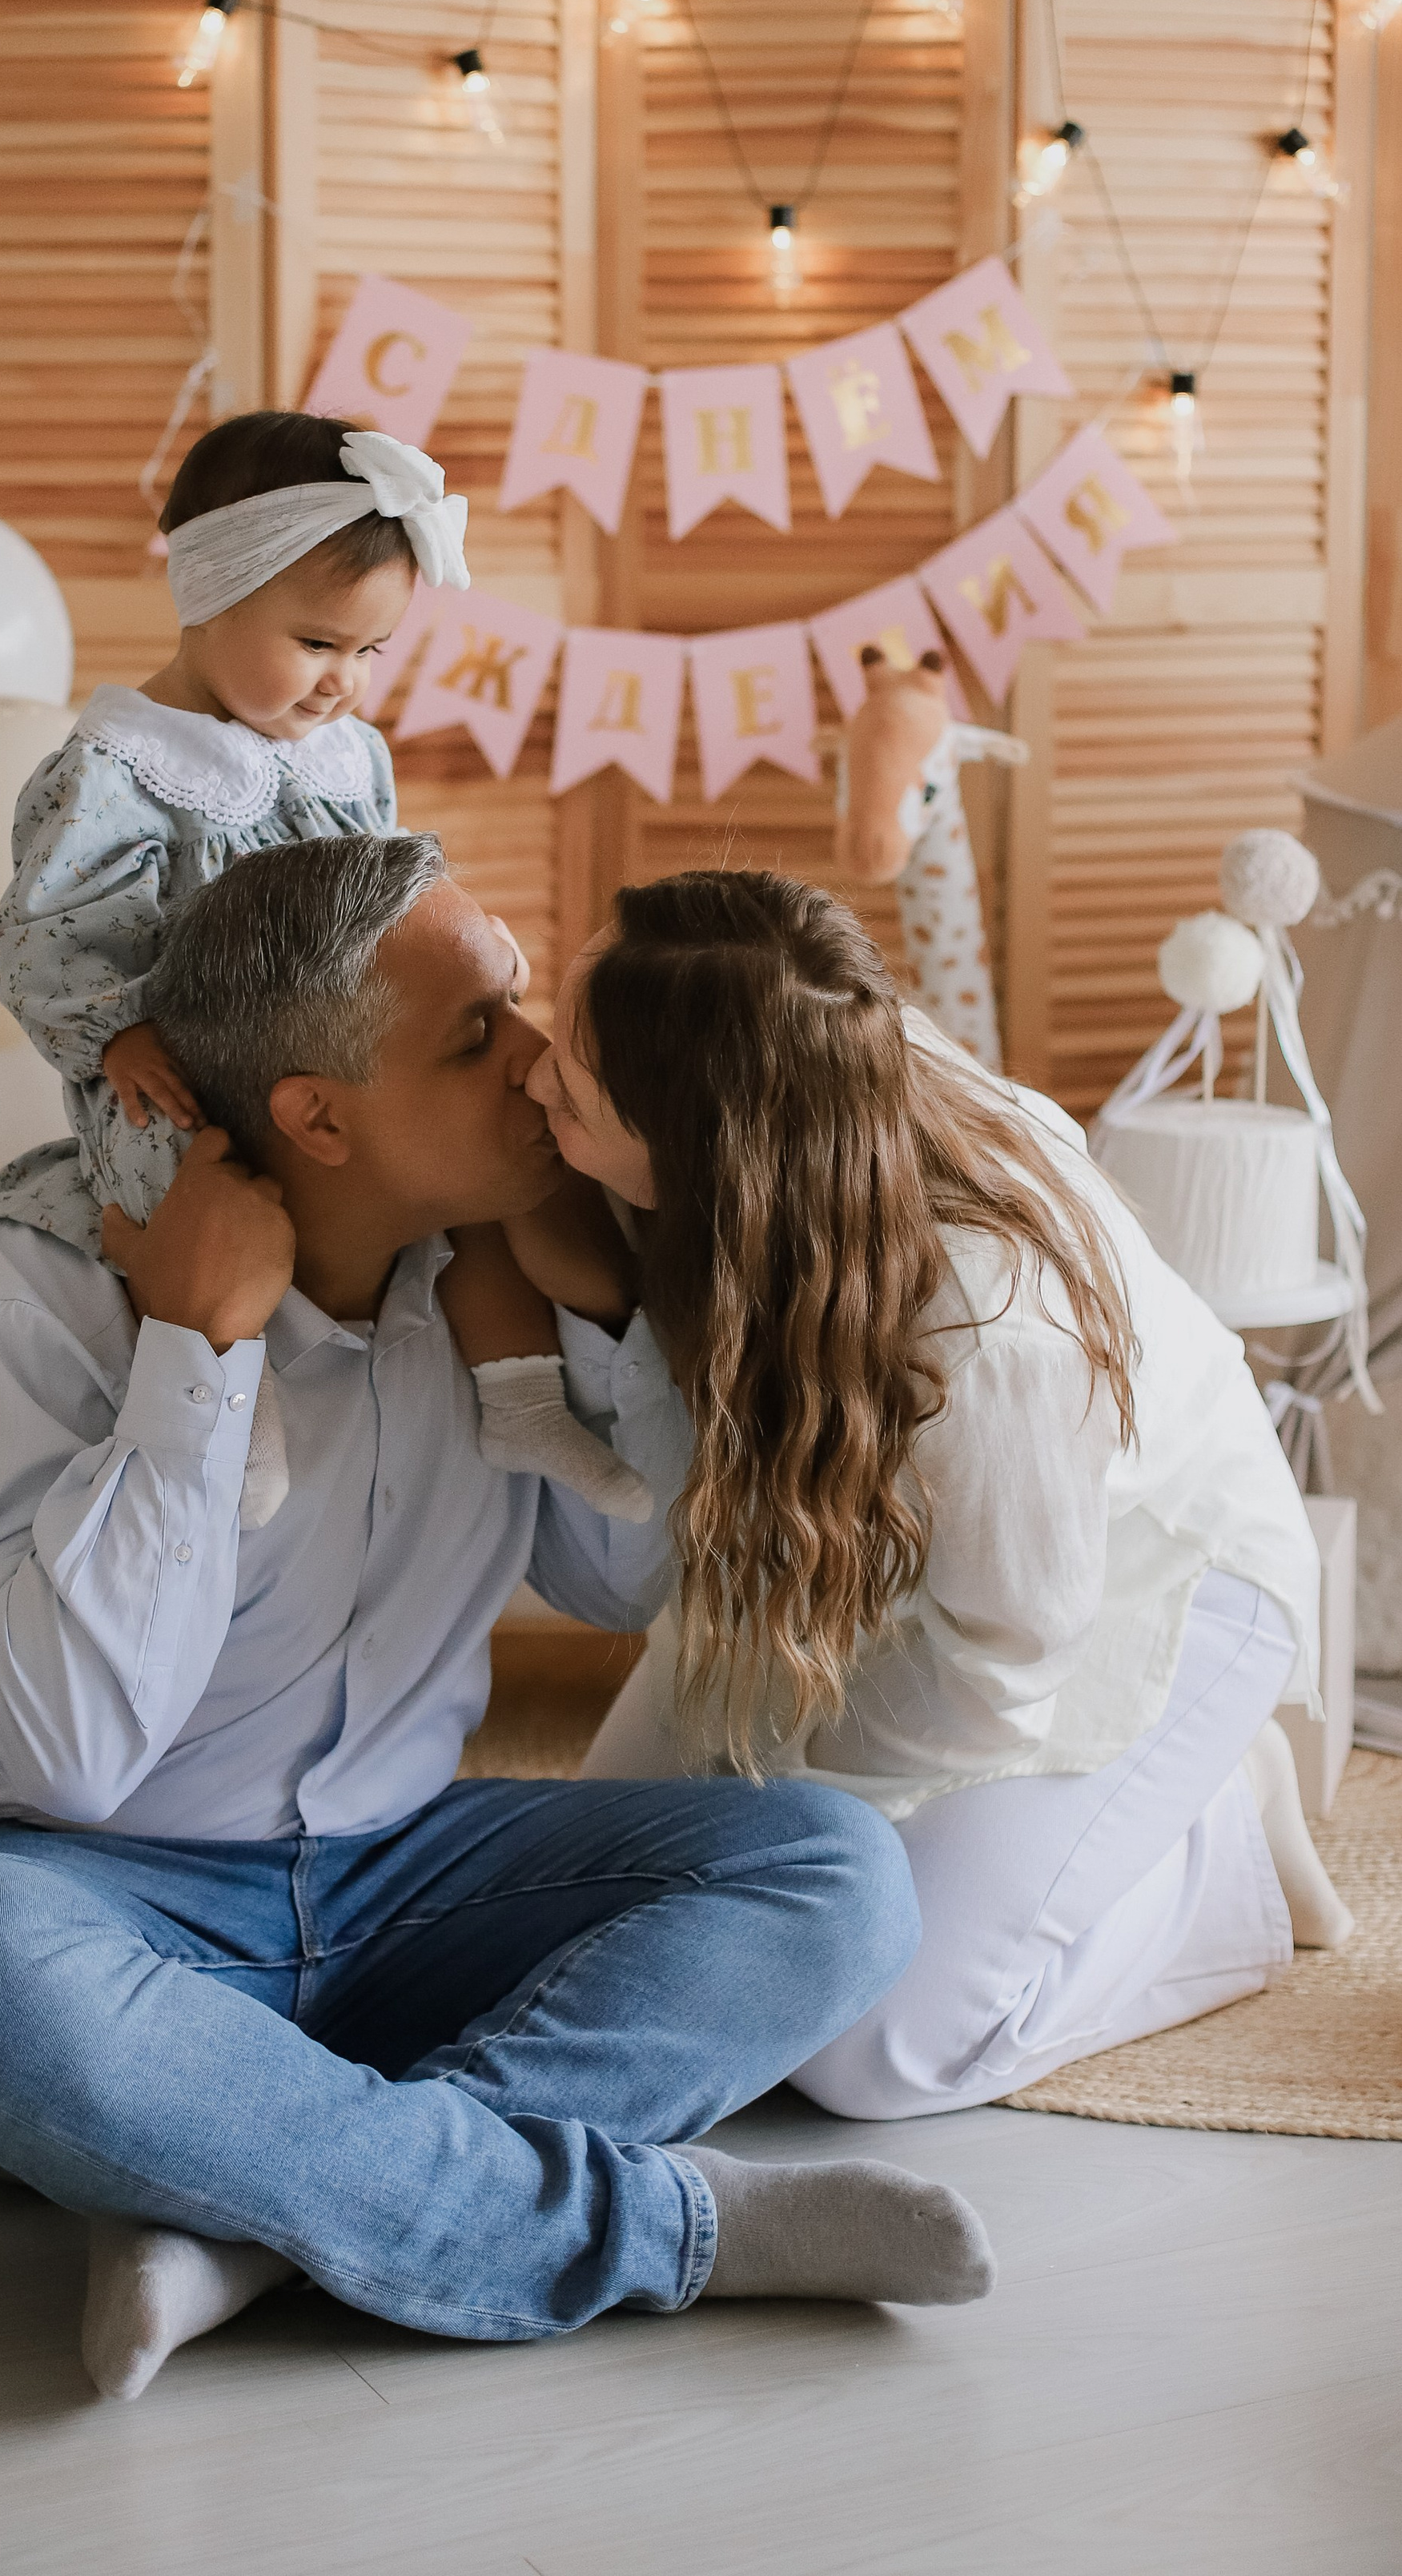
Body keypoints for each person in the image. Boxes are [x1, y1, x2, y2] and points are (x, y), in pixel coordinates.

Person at [0, 835, 994, 2401]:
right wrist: (198, 1352)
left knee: (836, 1873)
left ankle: (249, 2217)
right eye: (477, 1036)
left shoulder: (495, 1266)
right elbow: (76, 1756)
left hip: (387, 1879)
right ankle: (663, 2230)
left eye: (519, 999)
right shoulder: (34, 1288)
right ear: (315, 1117)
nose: (540, 1062)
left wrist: (595, 1317)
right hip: (54, 1880)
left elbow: (626, 1586)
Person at [520, 868, 1351, 2124]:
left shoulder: (986, 1327)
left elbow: (996, 1667)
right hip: (901, 1549)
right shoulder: (792, 1065)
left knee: (869, 2048)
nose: (533, 1080)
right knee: (572, 1903)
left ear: (703, 1147)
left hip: (1144, 1578)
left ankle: (1217, 1846)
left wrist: (794, 1830)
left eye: (573, 1092)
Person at [0, 405, 645, 1529]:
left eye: (372, 652)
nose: (344, 682)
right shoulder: (116, 769)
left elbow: (390, 898)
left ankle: (521, 1391)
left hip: (343, 1050)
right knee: (184, 1187)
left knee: (469, 1167)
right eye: (318, 644)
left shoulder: (343, 755)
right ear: (209, 597)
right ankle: (230, 1404)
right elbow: (42, 932)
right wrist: (115, 1034)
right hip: (184, 1061)